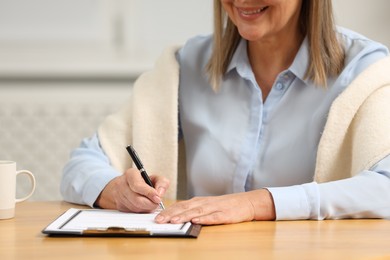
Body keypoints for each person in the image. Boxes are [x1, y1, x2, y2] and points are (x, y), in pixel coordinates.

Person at [61, 0, 390, 225]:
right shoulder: (187, 65)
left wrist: (255, 204)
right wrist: (114, 191)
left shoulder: (364, 71)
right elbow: (81, 163)